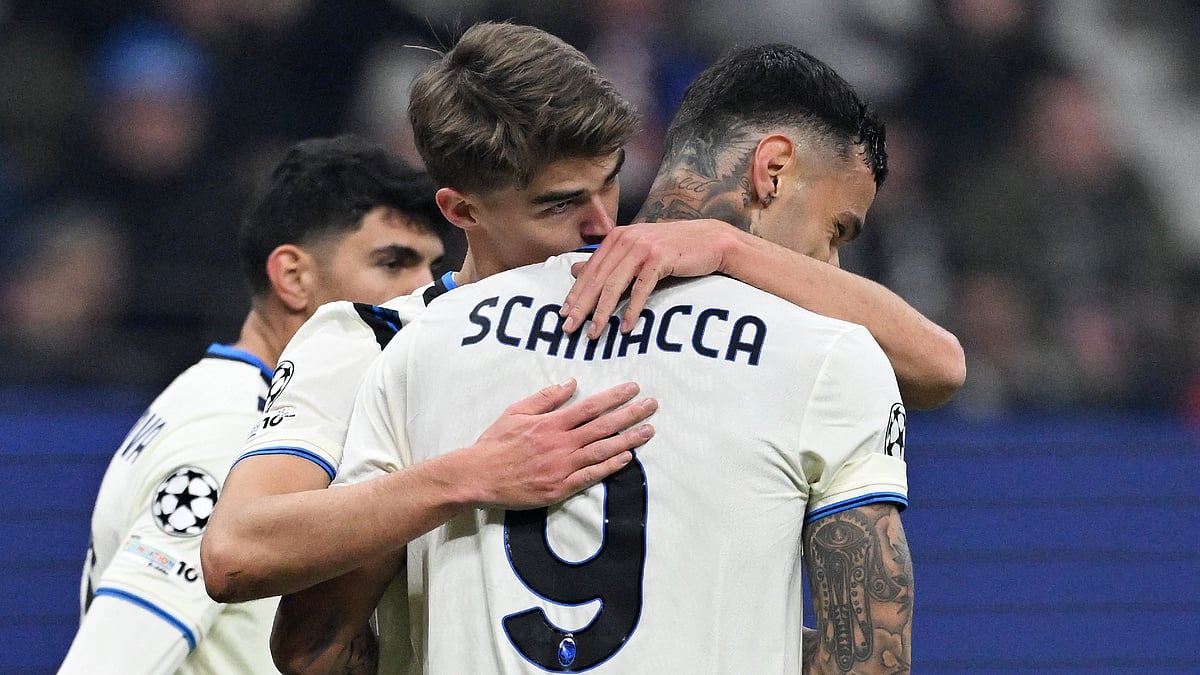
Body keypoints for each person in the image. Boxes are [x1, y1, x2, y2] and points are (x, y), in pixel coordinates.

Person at [202, 22, 946, 673]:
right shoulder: (378, 339)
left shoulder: (647, 296)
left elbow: (939, 365)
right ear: (461, 210)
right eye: (560, 204)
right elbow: (235, 552)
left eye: (612, 180)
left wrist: (724, 246)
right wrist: (466, 474)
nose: (602, 224)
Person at [57, 135, 450, 675]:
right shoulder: (234, 431)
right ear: (292, 276)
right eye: (393, 263)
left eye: (432, 268)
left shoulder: (255, 411)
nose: (424, 294)